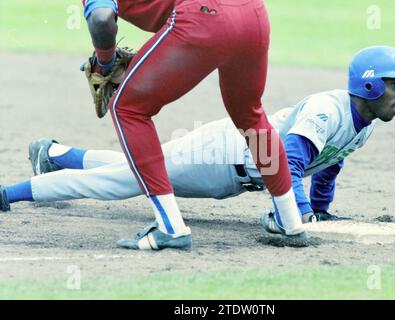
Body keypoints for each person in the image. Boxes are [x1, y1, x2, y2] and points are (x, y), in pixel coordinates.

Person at [0, 46, 395, 247]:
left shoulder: (364, 123)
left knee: (144, 166)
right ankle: (9, 194)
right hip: (219, 156)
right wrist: (300, 214)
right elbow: (287, 158)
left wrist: (321, 207)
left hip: (229, 172)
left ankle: (55, 155)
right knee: (125, 181)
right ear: (368, 83)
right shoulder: (329, 110)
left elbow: (328, 162)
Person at [78, 0, 307, 250]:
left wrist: (105, 63)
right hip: (253, 15)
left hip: (206, 17)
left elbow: (101, 18)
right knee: (250, 115)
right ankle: (289, 220)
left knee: (127, 108)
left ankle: (170, 227)